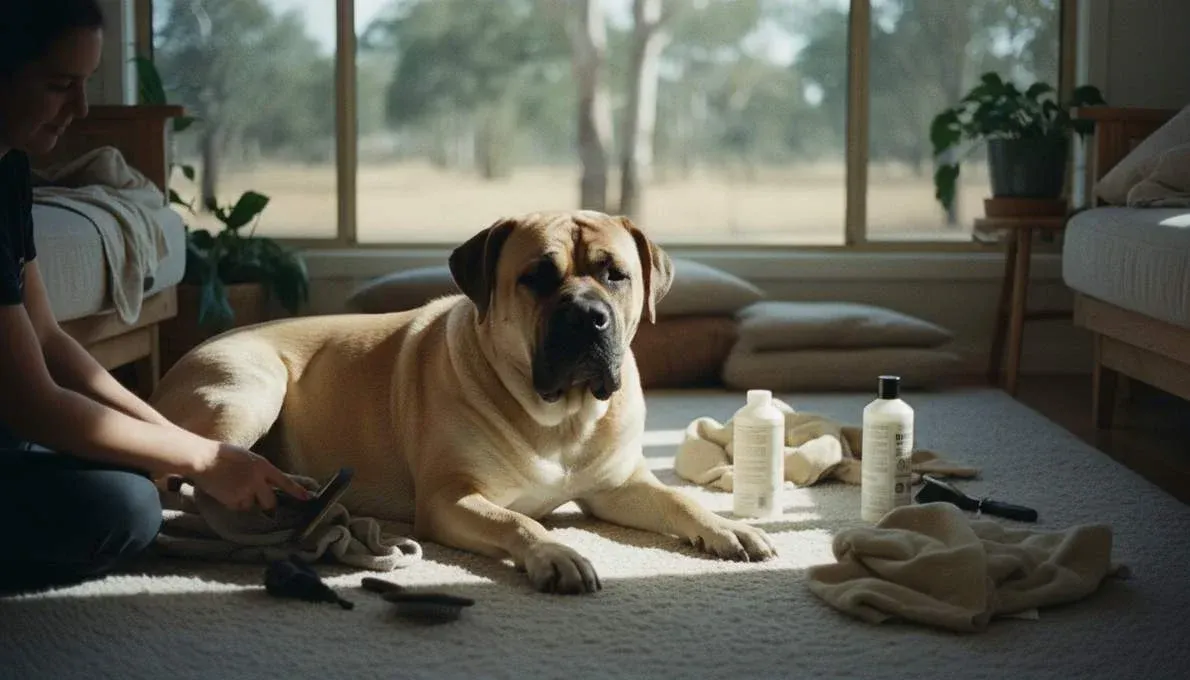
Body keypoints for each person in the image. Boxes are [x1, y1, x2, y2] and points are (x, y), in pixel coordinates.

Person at [0, 0, 308, 592]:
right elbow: (32, 405)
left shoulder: (9, 170)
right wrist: (201, 460)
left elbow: (47, 338)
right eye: (60, 86)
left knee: (136, 466)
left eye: (85, 84)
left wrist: (182, 444)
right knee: (127, 507)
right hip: (13, 421)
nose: (80, 109)